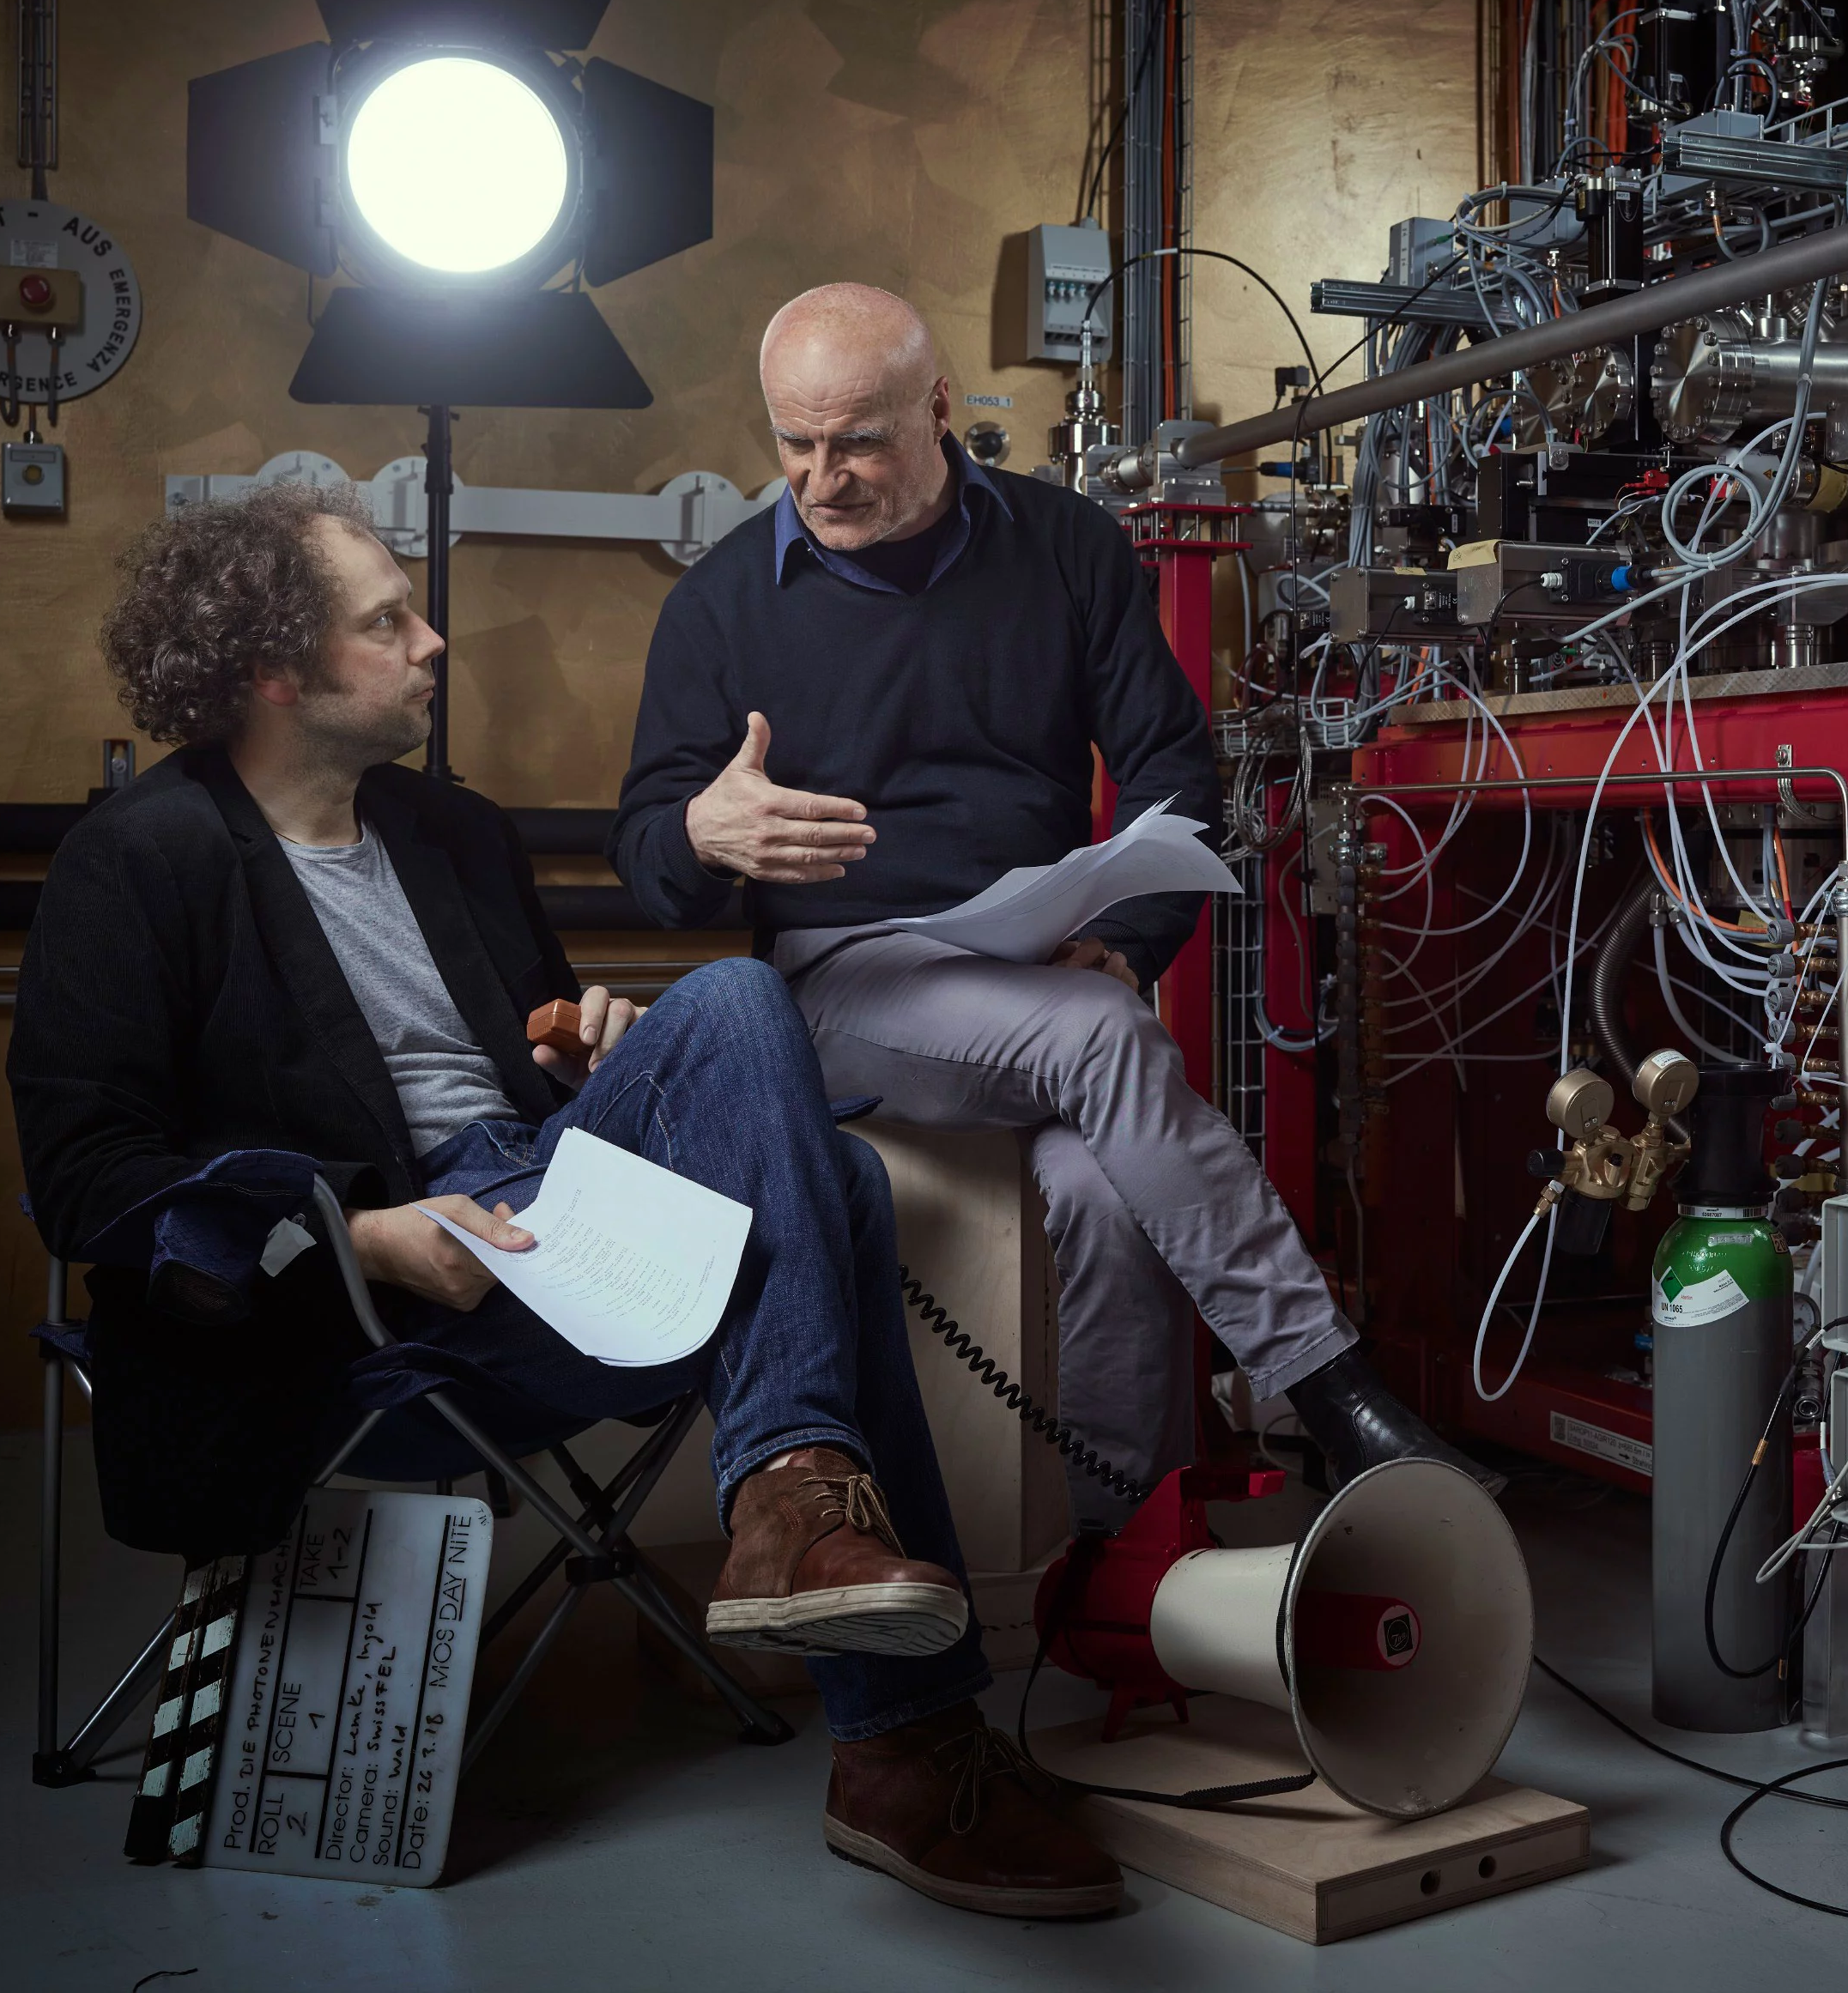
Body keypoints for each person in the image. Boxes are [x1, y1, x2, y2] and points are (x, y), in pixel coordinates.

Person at [8, 485, 1123, 1919]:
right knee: (821, 1155)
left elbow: (528, 1077)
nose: (434, 640)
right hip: (377, 1302)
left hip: (540, 1216)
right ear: (273, 672)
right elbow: (90, 1180)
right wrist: (364, 1238)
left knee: (731, 1036)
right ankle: (894, 1724)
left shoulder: (449, 831)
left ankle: (796, 1499)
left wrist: (573, 1054)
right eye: (386, 621)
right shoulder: (138, 861)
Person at [614, 283, 1493, 1527]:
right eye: (795, 443)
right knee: (1096, 1038)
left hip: (1028, 964)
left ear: (936, 410)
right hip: (838, 981)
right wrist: (706, 832)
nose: (824, 477)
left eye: (857, 440)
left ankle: (1115, 1550)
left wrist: (1127, 938)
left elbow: (1170, 766)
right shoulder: (716, 607)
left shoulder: (1067, 546)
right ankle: (1329, 1389)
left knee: (1099, 1184)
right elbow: (647, 857)